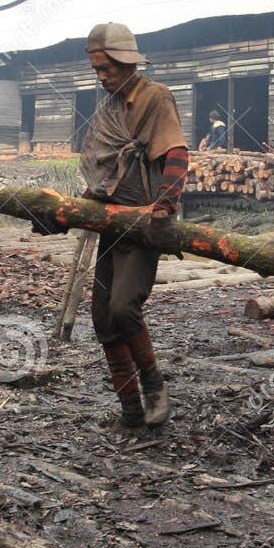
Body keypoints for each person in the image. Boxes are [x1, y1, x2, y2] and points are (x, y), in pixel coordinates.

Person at [78, 23, 189, 432]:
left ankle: (155, 386)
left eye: (107, 68)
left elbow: (176, 153)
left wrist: (165, 207)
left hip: (145, 222)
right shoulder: (108, 109)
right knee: (103, 319)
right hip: (111, 221)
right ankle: (130, 411)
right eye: (96, 69)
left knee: (124, 307)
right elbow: (102, 168)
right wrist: (68, 211)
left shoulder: (155, 97)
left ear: (126, 62)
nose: (102, 76)